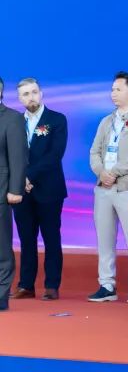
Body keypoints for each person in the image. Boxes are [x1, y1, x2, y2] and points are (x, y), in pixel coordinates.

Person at [88, 72, 128, 303]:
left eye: (118, 89)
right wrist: (101, 172)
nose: (113, 93)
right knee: (104, 239)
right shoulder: (106, 121)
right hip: (103, 188)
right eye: (112, 89)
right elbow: (94, 152)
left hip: (126, 189)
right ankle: (107, 284)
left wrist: (113, 173)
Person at [12, 78, 68, 300]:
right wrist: (19, 179)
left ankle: (52, 285)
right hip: (21, 191)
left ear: (41, 93)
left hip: (49, 189)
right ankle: (26, 285)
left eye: (34, 92)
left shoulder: (56, 119)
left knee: (51, 237)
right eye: (26, 94)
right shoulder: (15, 122)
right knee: (26, 239)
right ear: (20, 99)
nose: (31, 97)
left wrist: (28, 176)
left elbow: (55, 155)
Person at [0, 77, 28, 311]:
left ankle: (1, 293)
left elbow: (18, 157)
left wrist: (15, 189)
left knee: (1, 246)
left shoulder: (12, 118)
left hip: (1, 190)